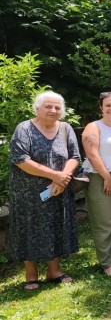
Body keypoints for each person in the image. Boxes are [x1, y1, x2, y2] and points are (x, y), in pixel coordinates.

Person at [9, 91, 80, 290]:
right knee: (29, 228)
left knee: (56, 226)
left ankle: (54, 271)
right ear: (37, 108)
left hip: (58, 189)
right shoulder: (24, 128)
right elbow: (21, 160)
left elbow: (74, 156)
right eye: (48, 106)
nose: (53, 110)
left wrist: (63, 177)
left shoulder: (65, 128)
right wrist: (54, 175)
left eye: (57, 107)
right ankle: (31, 274)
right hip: (28, 192)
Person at [81, 92, 111, 276]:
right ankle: (107, 263)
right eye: (108, 105)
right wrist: (107, 177)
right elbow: (92, 154)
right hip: (100, 177)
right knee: (105, 220)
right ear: (101, 107)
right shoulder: (93, 127)